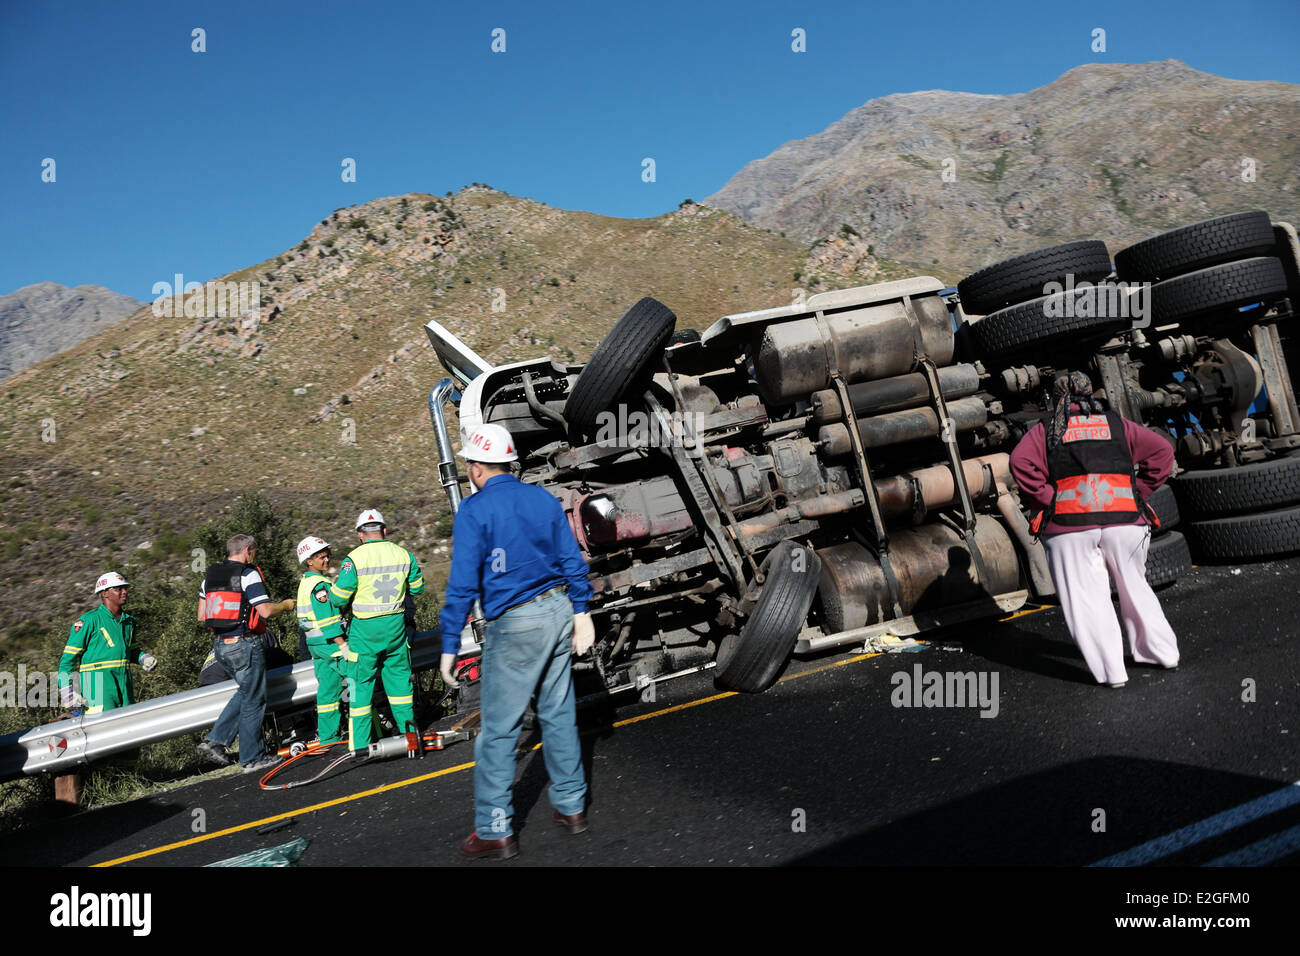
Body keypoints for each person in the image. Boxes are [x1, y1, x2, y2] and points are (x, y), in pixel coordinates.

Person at [439, 422, 595, 861]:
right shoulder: (542, 499)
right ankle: (572, 807)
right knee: (559, 713)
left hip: (516, 623)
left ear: (476, 467)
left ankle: (495, 830)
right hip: (558, 610)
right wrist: (581, 610)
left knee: (499, 730)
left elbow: (463, 584)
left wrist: (450, 643)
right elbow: (572, 560)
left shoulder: (474, 511)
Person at [1009, 371, 1180, 687]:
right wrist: (1138, 491)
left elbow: (1020, 463)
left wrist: (1049, 497)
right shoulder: (1117, 424)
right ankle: (1163, 653)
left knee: (1086, 597)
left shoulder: (1045, 431)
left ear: (1055, 399)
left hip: (1068, 526)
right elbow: (1162, 452)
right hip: (1125, 520)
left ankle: (1112, 672)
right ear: (1090, 394)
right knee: (1135, 587)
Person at [196, 534, 296, 772]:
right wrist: (285, 605)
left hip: (220, 646)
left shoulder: (208, 577)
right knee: (254, 700)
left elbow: (202, 616)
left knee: (247, 691)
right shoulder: (248, 574)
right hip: (244, 644)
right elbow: (265, 611)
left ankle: (216, 741)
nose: (255, 556)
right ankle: (252, 758)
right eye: (255, 551)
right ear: (248, 550)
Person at [328, 509, 424, 753]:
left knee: (361, 687)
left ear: (361, 534)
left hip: (365, 632)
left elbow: (339, 598)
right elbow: (418, 587)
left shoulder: (354, 559)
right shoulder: (404, 554)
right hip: (396, 628)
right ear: (384, 530)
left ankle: (360, 747)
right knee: (401, 685)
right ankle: (411, 738)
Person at [59, 572, 158, 714]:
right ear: (105, 593)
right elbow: (67, 662)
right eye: (118, 588)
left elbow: (131, 651)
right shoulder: (89, 621)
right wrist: (67, 693)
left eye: (125, 588)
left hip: (125, 685)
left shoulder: (130, 621)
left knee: (128, 728)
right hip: (98, 687)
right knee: (104, 731)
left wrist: (142, 657)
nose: (124, 592)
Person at [295, 535, 348, 745]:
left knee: (328, 691)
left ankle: (328, 738)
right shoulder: (319, 585)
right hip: (330, 644)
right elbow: (327, 619)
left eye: (327, 556)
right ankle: (365, 731)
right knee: (358, 678)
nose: (326, 560)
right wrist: (342, 644)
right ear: (309, 561)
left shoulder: (305, 583)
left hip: (315, 646)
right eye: (321, 557)